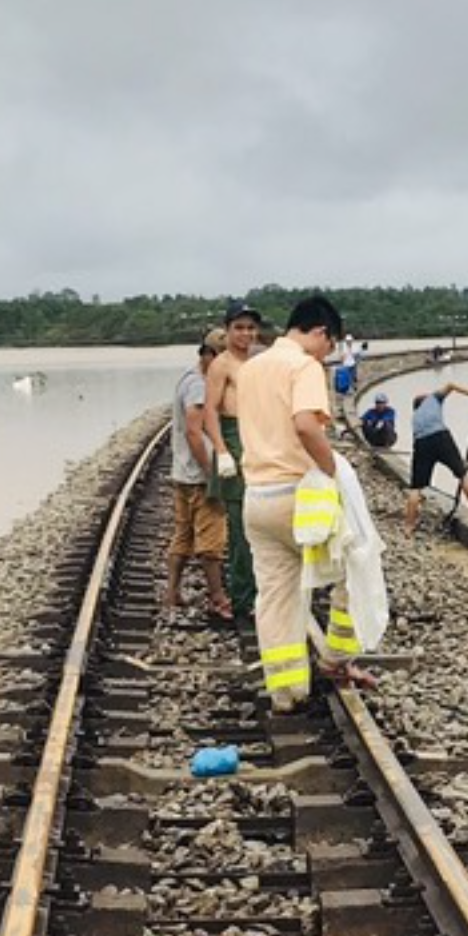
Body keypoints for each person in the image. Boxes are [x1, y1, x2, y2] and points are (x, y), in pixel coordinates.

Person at [234, 295, 374, 711]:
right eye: (328, 346)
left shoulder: (252, 367)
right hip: (296, 497)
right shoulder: (304, 366)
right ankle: (335, 659)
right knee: (355, 564)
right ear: (320, 333)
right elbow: (305, 426)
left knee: (276, 595)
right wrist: (335, 472)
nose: (326, 355)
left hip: (256, 498)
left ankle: (286, 692)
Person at [166, 329, 232, 622]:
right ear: (208, 355)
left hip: (182, 472)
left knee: (183, 533)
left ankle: (171, 592)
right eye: (221, 356)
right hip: (197, 474)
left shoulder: (187, 378)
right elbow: (194, 432)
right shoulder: (199, 387)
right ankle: (217, 598)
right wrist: (210, 473)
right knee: (211, 540)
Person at [204, 300, 264, 620]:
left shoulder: (260, 360)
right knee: (241, 528)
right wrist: (221, 450)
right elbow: (210, 411)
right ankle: (244, 598)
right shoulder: (222, 365)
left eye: (251, 327)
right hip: (233, 438)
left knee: (265, 522)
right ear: (227, 330)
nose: (246, 333)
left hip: (260, 439)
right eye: (239, 327)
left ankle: (266, 593)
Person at [403, 381, 468, 532]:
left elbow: (417, 439)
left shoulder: (415, 417)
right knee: (463, 473)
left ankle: (409, 525)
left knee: (415, 488)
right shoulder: (433, 398)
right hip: (441, 436)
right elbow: (451, 385)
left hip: (421, 443)